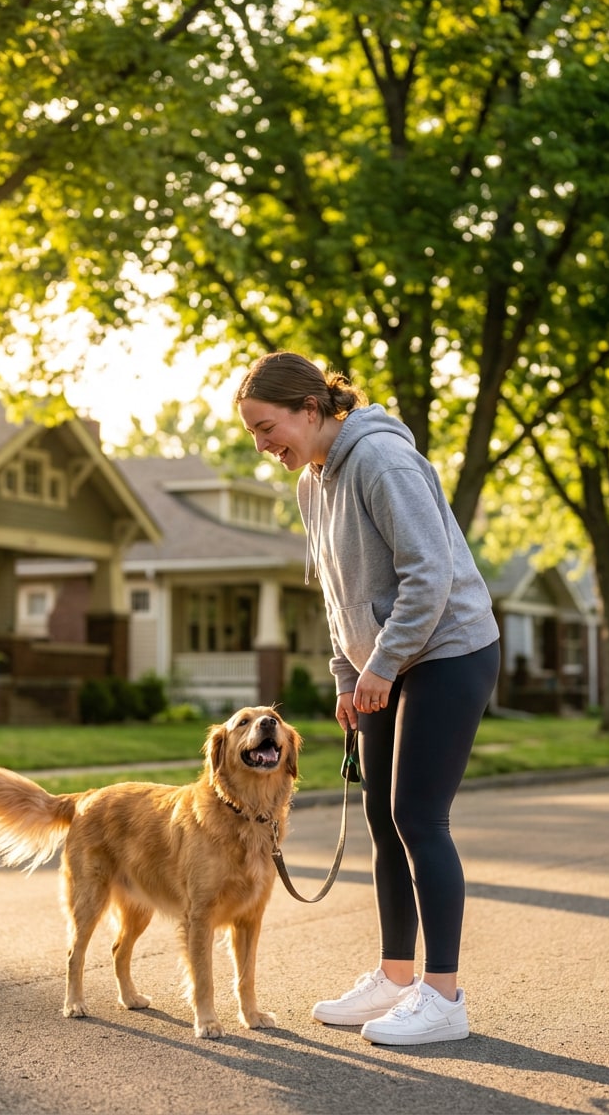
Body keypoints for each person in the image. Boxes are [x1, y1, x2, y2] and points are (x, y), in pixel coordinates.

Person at [235, 351, 500, 1047]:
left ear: (312, 410)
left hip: (449, 648)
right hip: (383, 666)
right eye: (255, 436)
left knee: (419, 816)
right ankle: (394, 976)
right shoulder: (311, 483)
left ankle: (443, 998)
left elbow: (430, 574)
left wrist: (379, 665)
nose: (265, 447)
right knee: (383, 819)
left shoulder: (381, 459)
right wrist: (348, 678)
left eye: (268, 429)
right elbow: (336, 595)